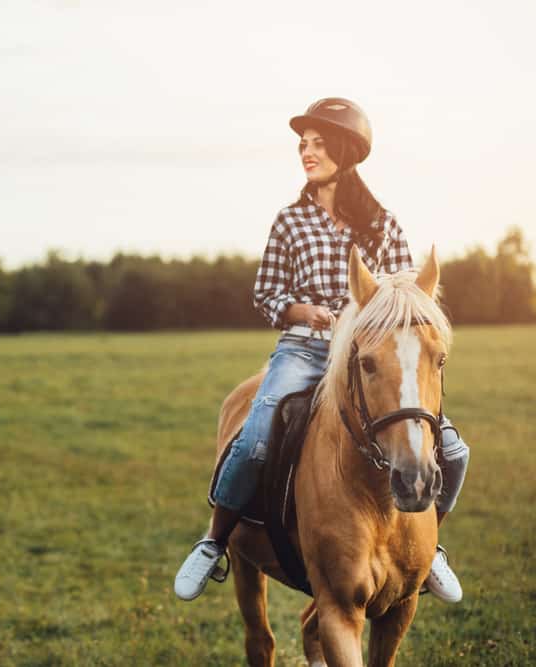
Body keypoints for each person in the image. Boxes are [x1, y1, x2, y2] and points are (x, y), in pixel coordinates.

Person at [173, 98, 470, 604]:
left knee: (453, 449)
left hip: (369, 358)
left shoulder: (384, 224)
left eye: (317, 144)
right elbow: (266, 294)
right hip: (305, 352)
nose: (306, 153)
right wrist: (301, 312)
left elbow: (405, 295)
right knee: (256, 436)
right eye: (302, 145)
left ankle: (429, 542)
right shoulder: (290, 222)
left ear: (345, 151)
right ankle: (215, 539)